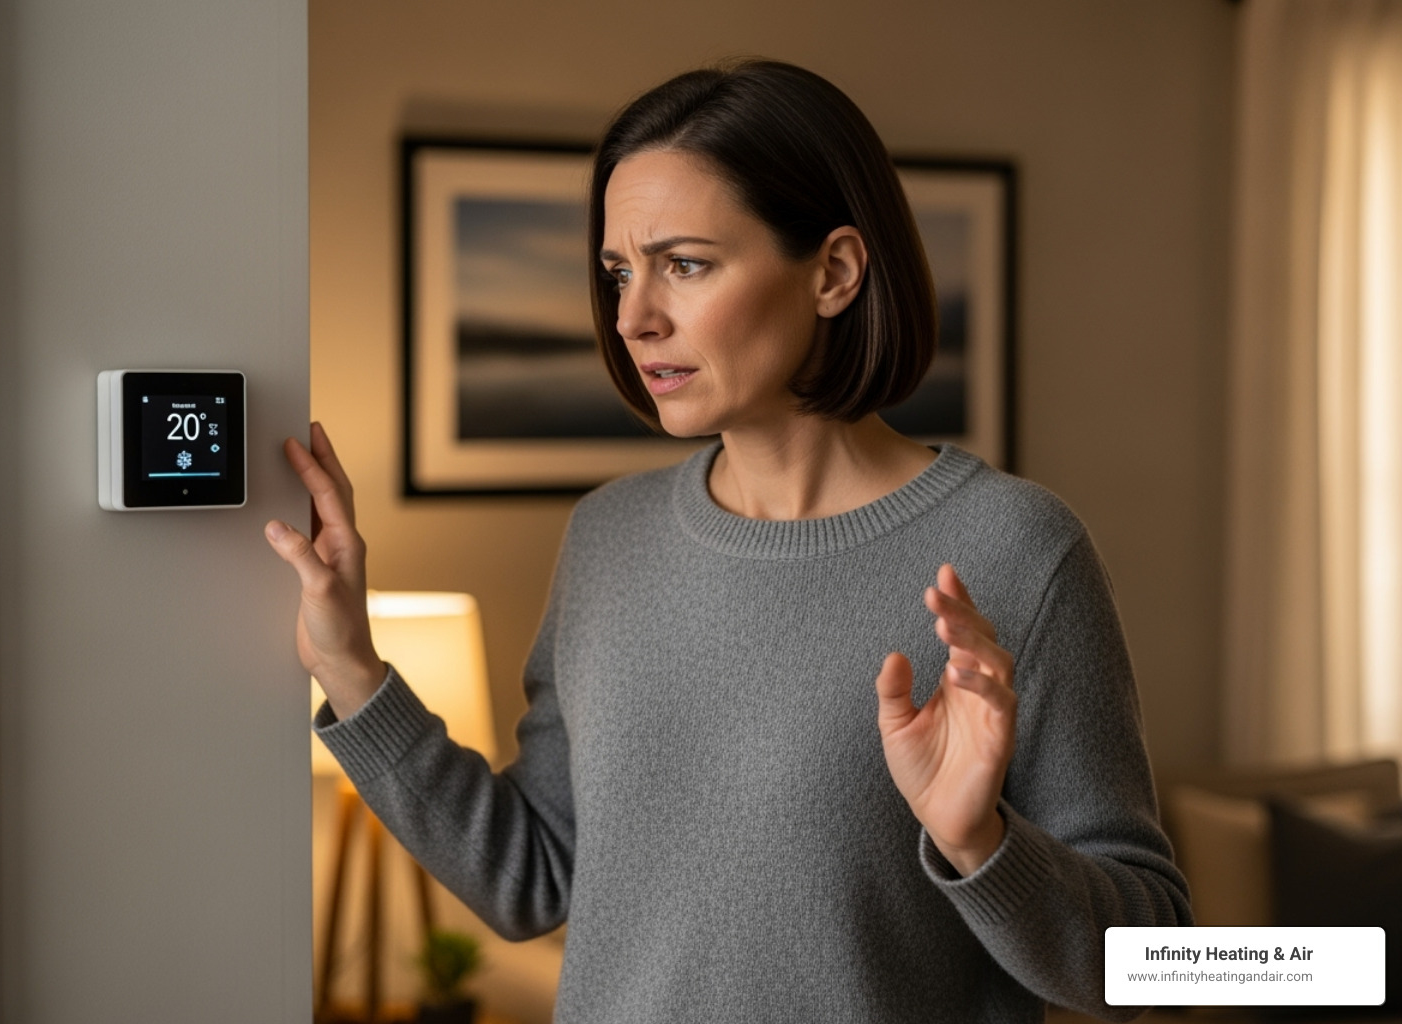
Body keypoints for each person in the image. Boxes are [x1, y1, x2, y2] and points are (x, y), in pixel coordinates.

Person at [266, 59, 1191, 1023]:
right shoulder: (608, 539)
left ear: (834, 273)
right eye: (619, 272)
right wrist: (351, 667)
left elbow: (1160, 966)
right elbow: (529, 876)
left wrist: (981, 844)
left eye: (686, 264)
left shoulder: (1017, 549)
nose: (633, 318)